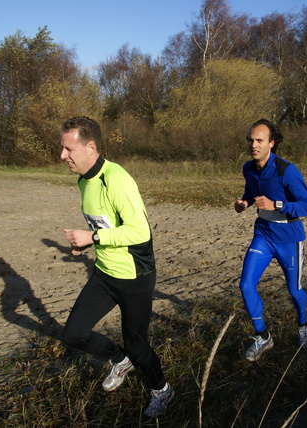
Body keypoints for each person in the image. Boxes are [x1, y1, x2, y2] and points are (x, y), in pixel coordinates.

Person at [59, 116, 173, 417]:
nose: (62, 156)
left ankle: (162, 389)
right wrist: (87, 242)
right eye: (62, 148)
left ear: (90, 147)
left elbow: (140, 232)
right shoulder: (84, 180)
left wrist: (93, 236)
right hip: (105, 274)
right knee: (73, 334)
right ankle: (119, 360)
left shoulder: (117, 179)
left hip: (135, 277)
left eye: (68, 149)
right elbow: (106, 223)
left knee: (137, 345)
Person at [234, 119, 307, 362]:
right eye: (250, 140)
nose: (253, 144)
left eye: (259, 140)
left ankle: (303, 325)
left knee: (294, 290)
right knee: (246, 285)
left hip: (289, 238)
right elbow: (251, 192)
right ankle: (263, 337)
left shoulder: (286, 170)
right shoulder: (248, 168)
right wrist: (244, 203)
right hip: (263, 235)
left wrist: (277, 205)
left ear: (271, 143)